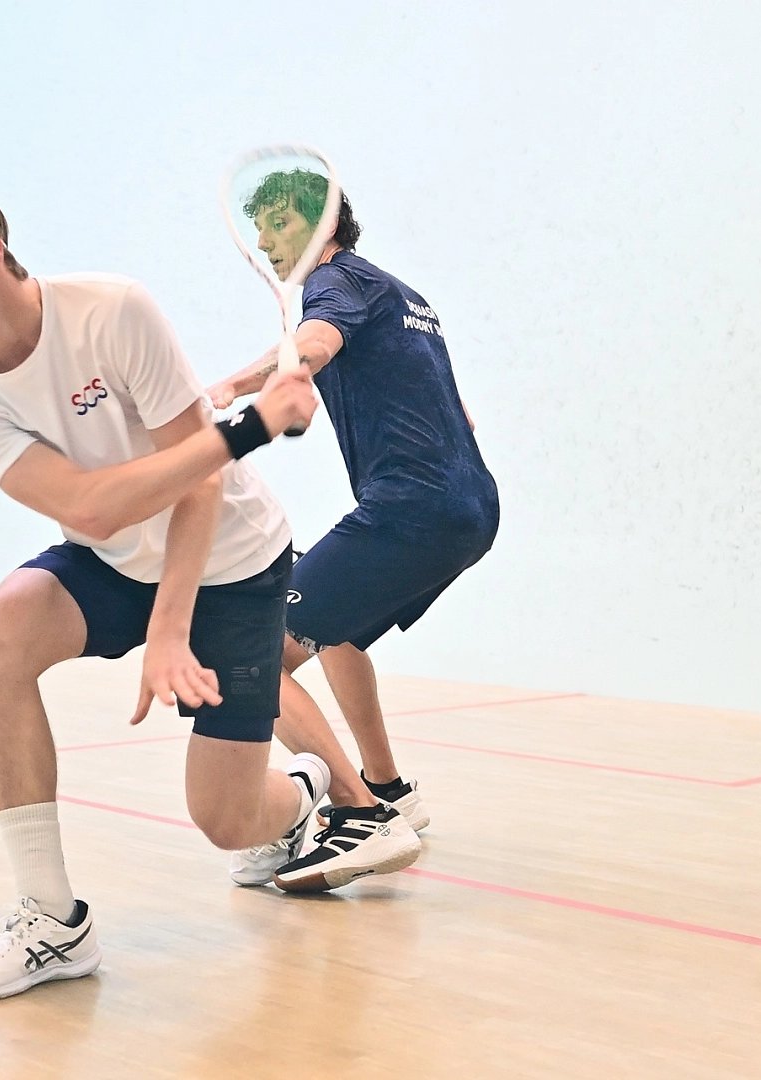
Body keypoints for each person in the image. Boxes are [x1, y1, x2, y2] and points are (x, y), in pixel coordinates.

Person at [0, 178, 418, 1003]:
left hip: (235, 565)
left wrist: (173, 627)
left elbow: (199, 481)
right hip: (113, 555)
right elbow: (89, 507)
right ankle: (53, 921)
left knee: (228, 823)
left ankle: (304, 784)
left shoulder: (111, 311)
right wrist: (252, 425)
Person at [208, 171, 500, 890]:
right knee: (333, 631)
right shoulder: (399, 295)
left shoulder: (332, 283)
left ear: (324, 224)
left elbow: (314, 340)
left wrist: (292, 374)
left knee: (250, 655)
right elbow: (456, 410)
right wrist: (237, 384)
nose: (264, 241)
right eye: (260, 226)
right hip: (468, 507)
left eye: (279, 223)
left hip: (408, 510)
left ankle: (357, 813)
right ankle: (388, 788)